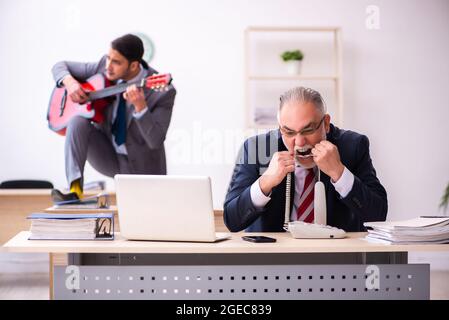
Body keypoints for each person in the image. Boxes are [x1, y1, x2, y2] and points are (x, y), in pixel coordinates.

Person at [224, 87, 387, 232]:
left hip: (336, 257)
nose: (300, 142)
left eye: (308, 130)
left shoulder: (353, 146)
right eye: (289, 132)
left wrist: (339, 172)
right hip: (273, 258)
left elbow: (378, 215)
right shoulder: (256, 148)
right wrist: (265, 182)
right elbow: (232, 221)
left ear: (326, 123)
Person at [51, 34, 176, 201]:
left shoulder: (162, 93)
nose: (108, 66)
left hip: (144, 169)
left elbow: (155, 140)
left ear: (133, 65)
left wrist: (141, 107)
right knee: (77, 121)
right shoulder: (103, 66)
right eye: (109, 58)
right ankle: (75, 189)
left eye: (116, 62)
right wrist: (70, 83)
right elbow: (59, 66)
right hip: (110, 156)